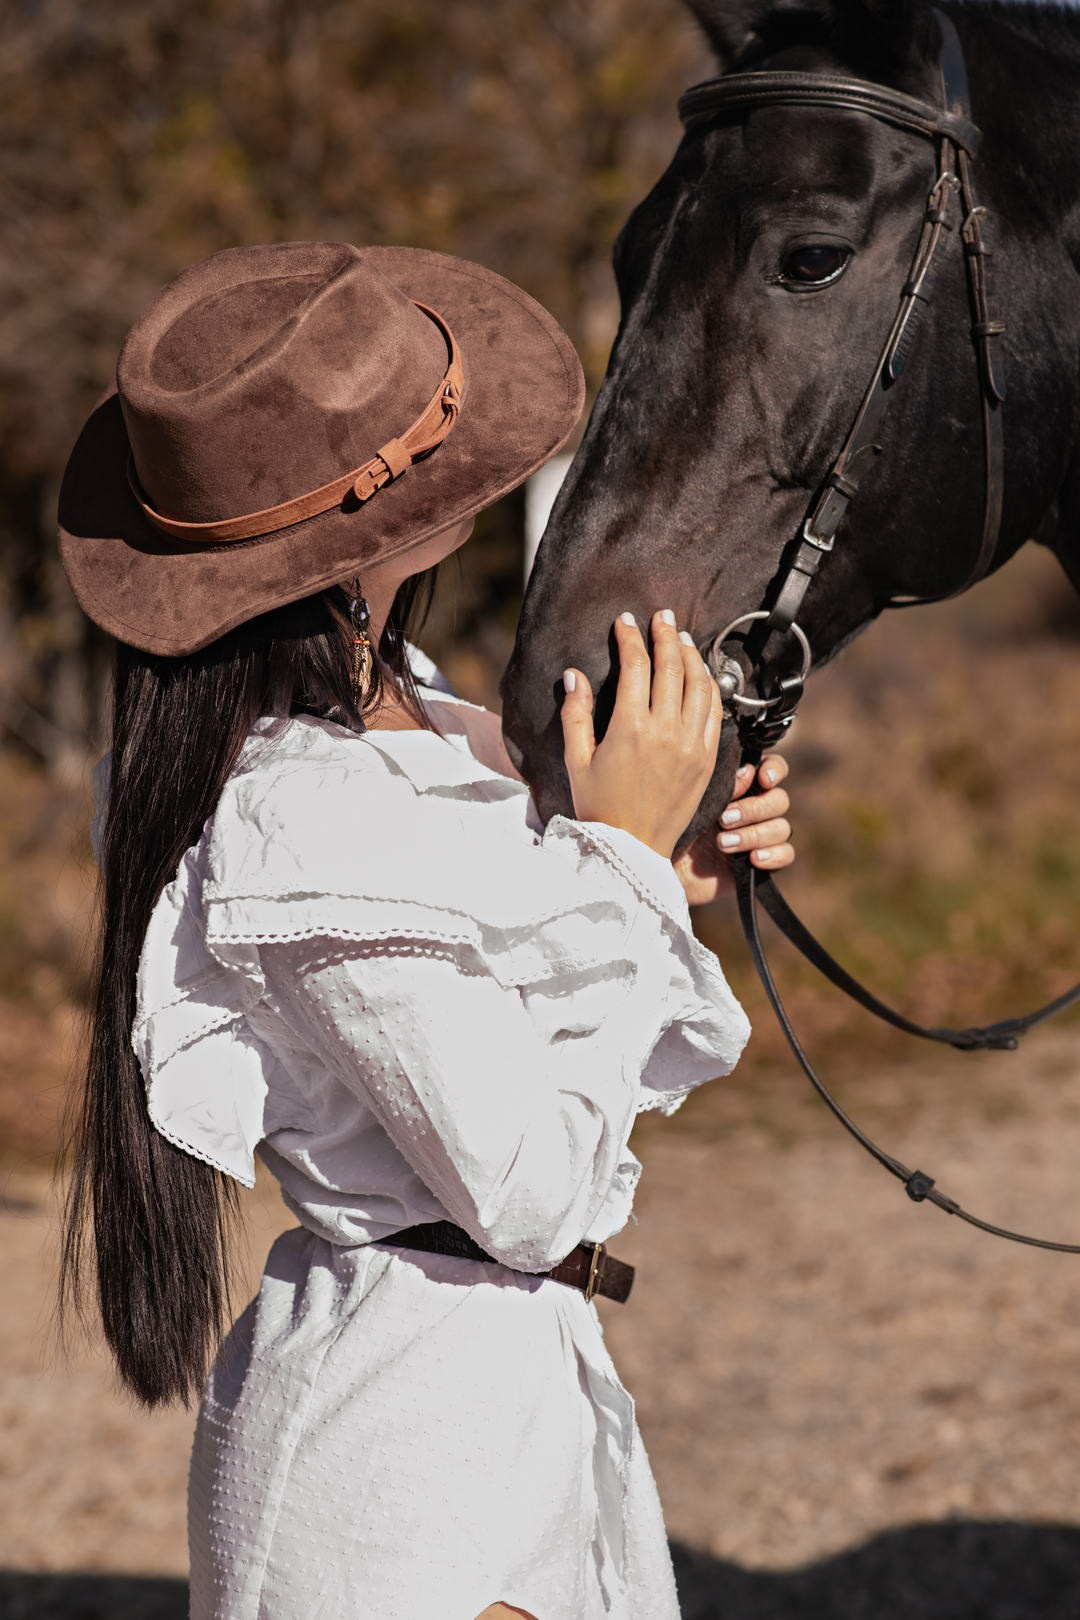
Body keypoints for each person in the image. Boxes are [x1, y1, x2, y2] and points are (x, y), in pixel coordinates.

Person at [57, 241, 794, 1620]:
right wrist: (617, 859)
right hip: (402, 1472)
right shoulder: (303, 819)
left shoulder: (405, 723)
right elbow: (529, 1193)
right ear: (357, 532)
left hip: (491, 1409)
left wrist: (660, 864)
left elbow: (507, 1006)